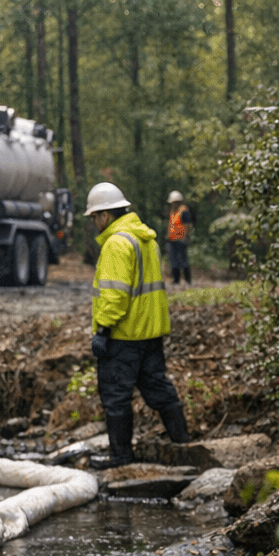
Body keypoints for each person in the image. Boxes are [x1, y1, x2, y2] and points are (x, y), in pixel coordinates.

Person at [84, 181, 191, 468]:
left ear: (105, 215)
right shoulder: (147, 240)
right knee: (159, 389)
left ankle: (120, 458)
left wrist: (102, 330)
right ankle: (185, 446)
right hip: (150, 334)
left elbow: (115, 295)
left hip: (123, 336)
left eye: (94, 216)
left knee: (116, 396)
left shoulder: (117, 243)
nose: (94, 222)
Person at [166, 189, 193, 286]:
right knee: (173, 260)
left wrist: (187, 237)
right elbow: (171, 224)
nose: (173, 204)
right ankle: (176, 280)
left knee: (183, 260)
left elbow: (188, 225)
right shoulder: (172, 211)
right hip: (172, 239)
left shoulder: (183, 210)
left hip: (181, 239)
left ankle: (188, 280)